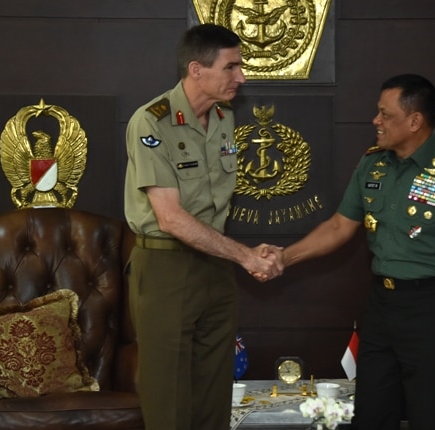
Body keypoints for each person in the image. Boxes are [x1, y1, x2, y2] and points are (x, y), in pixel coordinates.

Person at [278, 73, 435, 429]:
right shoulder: (372, 164)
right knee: (371, 414)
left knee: (432, 417)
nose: (375, 121)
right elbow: (339, 227)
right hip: (382, 307)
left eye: (385, 114)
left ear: (415, 121)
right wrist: (283, 258)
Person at [123, 24, 282, 430]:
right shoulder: (151, 122)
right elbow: (170, 218)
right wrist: (246, 256)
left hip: (215, 267)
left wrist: (234, 259)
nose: (241, 78)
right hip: (166, 270)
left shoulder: (224, 117)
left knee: (215, 392)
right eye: (231, 68)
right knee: (169, 399)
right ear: (197, 69)